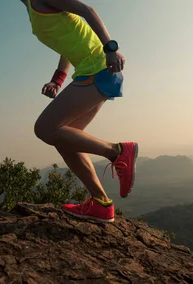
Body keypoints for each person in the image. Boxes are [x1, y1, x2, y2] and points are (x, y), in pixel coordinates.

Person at [19, 0, 138, 223]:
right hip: (90, 70)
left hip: (100, 66)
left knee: (45, 128)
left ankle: (117, 152)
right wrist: (57, 80)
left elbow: (87, 10)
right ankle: (101, 204)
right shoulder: (32, 8)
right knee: (67, 139)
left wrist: (110, 48)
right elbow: (67, 48)